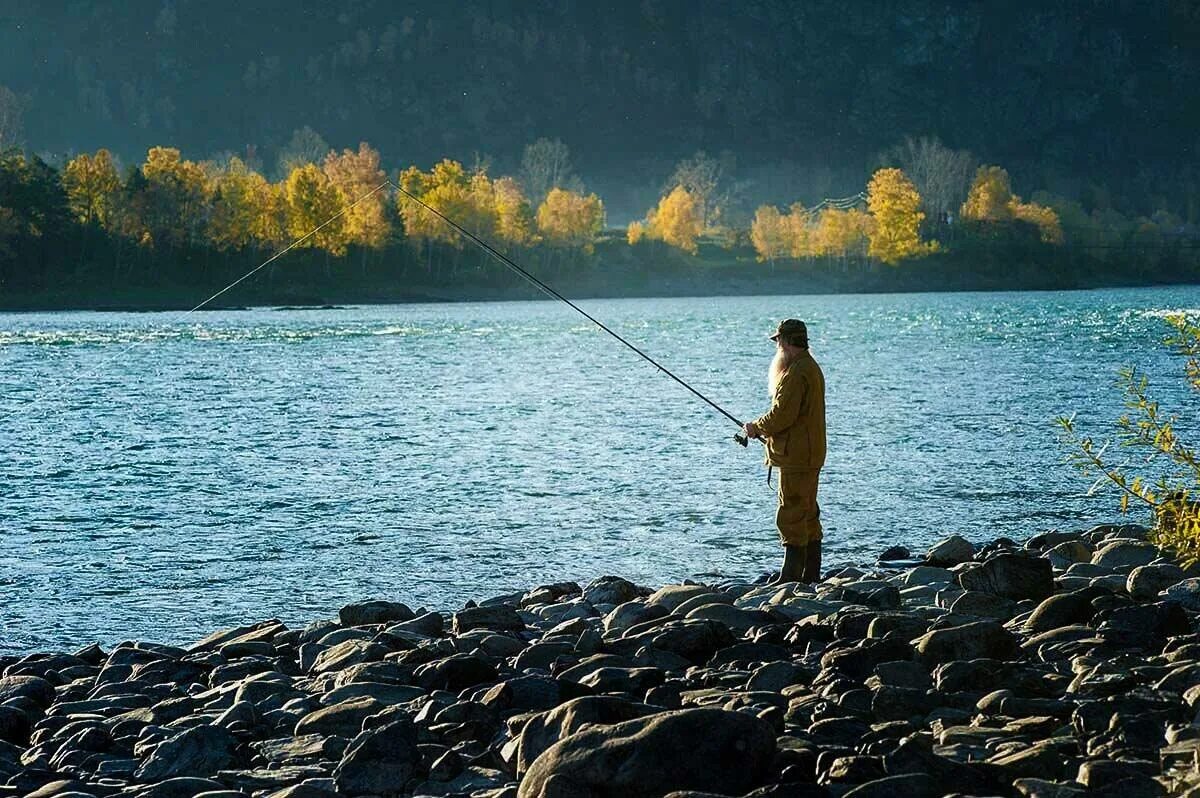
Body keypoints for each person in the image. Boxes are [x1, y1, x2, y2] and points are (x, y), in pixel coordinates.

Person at [742, 319, 827, 584]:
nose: (777, 346)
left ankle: (790, 577)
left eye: (779, 341)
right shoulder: (810, 368)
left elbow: (782, 415)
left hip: (797, 456)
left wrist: (756, 427)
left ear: (787, 342)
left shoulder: (795, 373)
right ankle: (810, 574)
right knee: (807, 511)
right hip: (810, 453)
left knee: (791, 510)